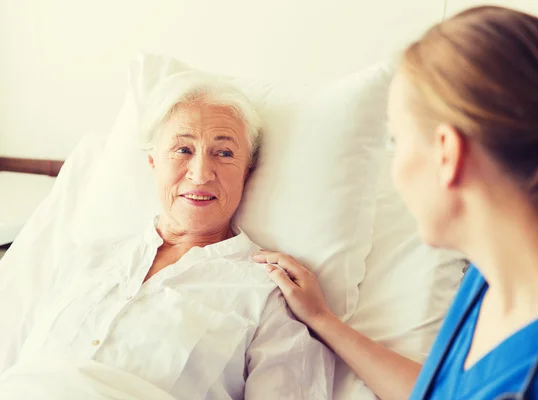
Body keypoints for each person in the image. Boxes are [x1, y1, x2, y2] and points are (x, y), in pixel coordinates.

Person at [254, 6, 538, 399]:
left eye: (397, 142)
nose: (395, 169)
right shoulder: (488, 282)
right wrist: (323, 320)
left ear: (447, 154)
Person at [0, 79, 334, 399]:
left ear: (248, 171)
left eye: (224, 153)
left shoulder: (269, 292)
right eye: (183, 149)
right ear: (153, 162)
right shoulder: (86, 259)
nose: (201, 173)